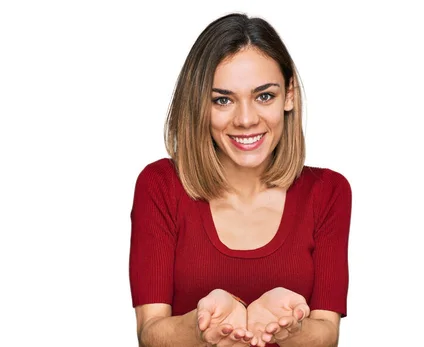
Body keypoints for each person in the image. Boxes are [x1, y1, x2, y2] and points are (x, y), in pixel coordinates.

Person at [129, 12, 352, 347]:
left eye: (264, 96)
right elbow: (150, 333)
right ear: (199, 105)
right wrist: (201, 326)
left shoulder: (328, 192)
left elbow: (327, 333)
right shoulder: (160, 185)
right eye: (223, 99)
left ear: (289, 94)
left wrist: (288, 327)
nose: (246, 119)